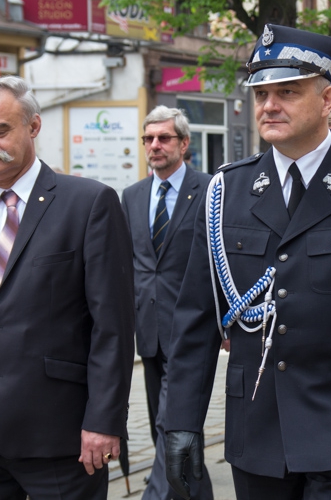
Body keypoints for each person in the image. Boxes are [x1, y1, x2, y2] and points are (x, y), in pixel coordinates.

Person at [163, 24, 331, 500]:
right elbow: (194, 319)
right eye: (261, 93)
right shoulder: (226, 191)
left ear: (327, 98)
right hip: (257, 425)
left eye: (287, 92)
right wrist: (180, 421)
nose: (270, 105)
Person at [0, 75, 135, 498]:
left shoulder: (88, 203)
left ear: (33, 126)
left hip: (62, 439)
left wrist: (104, 420)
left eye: (0, 130)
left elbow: (113, 326)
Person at [121, 106, 214, 500]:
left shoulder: (210, 189)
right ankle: (197, 491)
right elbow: (129, 263)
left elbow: (219, 258)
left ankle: (157, 495)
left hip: (194, 327)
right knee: (175, 425)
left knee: (169, 421)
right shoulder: (132, 195)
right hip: (149, 327)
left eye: (163, 138)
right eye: (148, 139)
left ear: (184, 143)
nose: (155, 146)